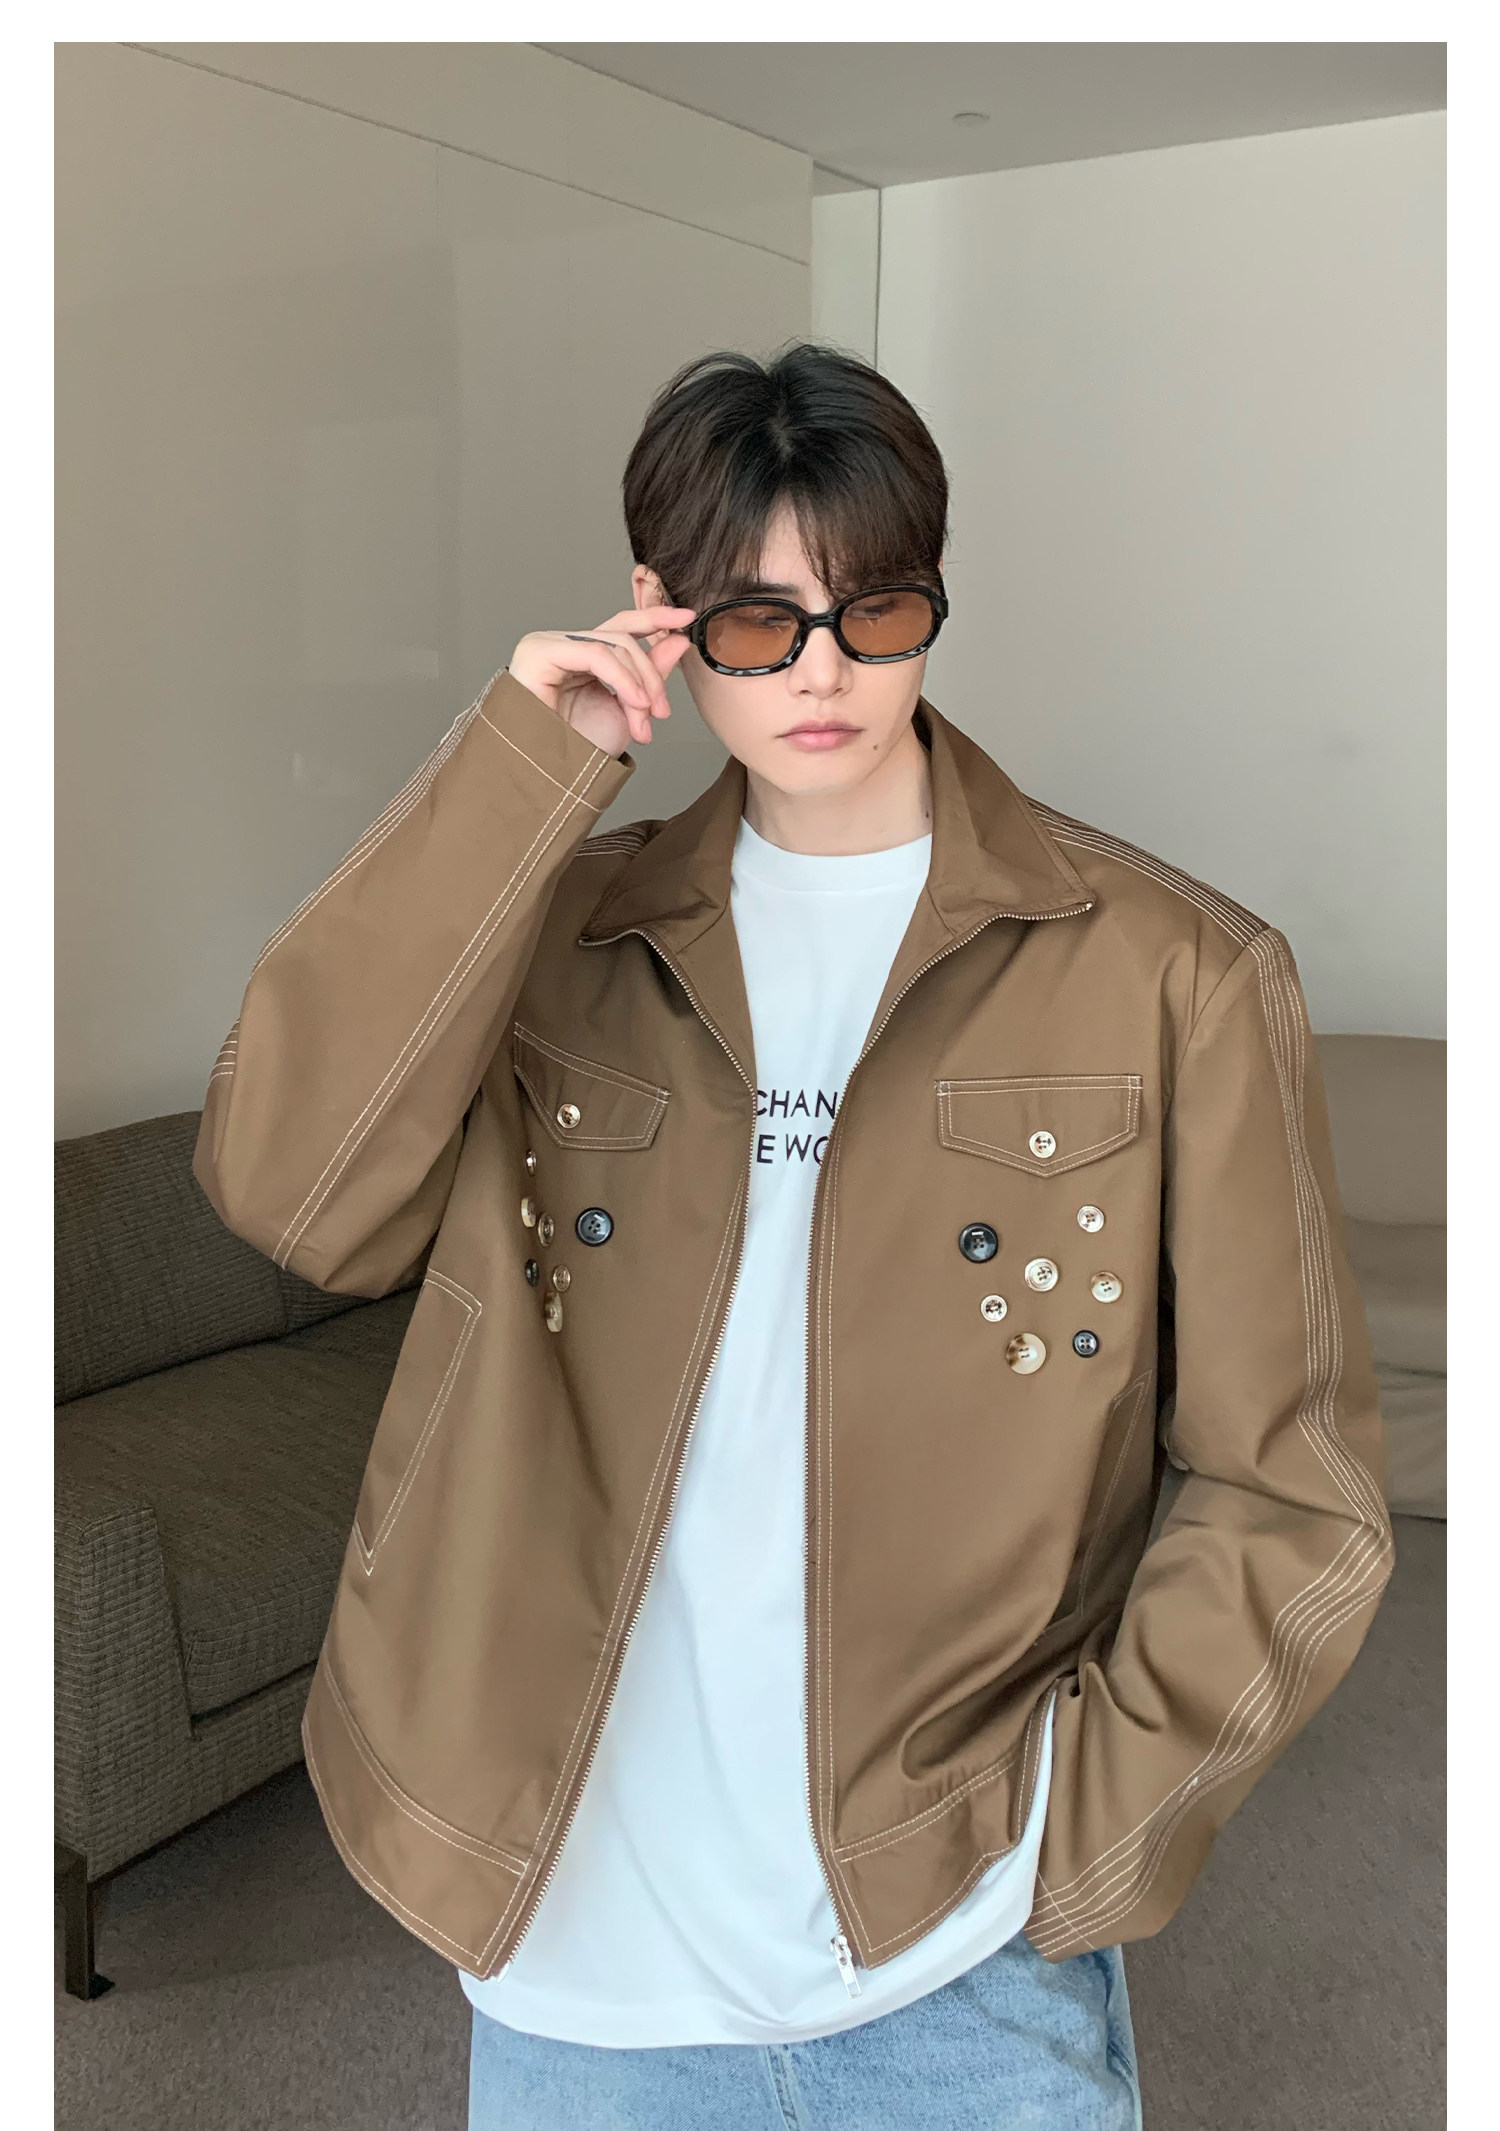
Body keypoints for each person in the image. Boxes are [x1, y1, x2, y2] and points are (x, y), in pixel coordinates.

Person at [193, 343, 1394, 2131]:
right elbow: (295, 1194)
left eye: (873, 612)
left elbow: (1294, 1484)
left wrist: (1079, 1835)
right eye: (757, 624)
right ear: (665, 619)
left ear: (932, 604)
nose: (822, 672)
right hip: (576, 1934)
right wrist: (521, 772)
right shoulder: (555, 933)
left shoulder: (1178, 973)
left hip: (955, 1943)